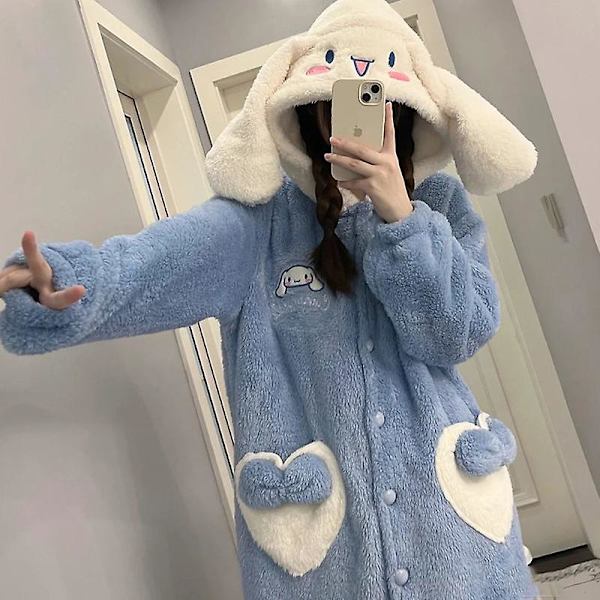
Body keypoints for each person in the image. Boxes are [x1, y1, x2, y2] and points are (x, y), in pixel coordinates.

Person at [0, 0, 540, 598]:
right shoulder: (257, 224)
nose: (361, 119)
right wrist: (64, 281)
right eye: (341, 102)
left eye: (381, 104)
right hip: (325, 553)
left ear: (409, 115)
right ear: (308, 109)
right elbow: (147, 265)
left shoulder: (442, 207)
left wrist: (401, 219)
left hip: (450, 536)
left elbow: (456, 334)